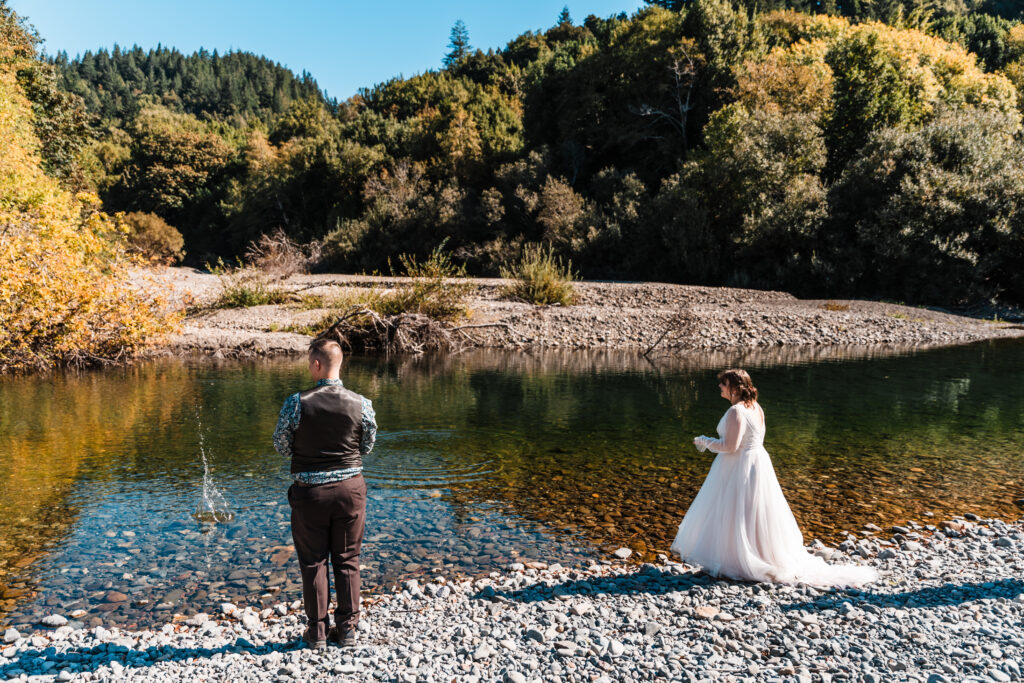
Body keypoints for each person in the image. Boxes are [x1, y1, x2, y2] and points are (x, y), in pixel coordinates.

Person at [670, 369, 876, 587]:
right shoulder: (756, 408)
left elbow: (730, 446)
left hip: (741, 465)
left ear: (735, 388)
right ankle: (755, 555)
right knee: (754, 511)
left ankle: (739, 562)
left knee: (736, 511)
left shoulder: (735, 412)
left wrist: (704, 441)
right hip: (758, 463)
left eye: (724, 383)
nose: (720, 387)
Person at [272, 338, 377, 649]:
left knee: (314, 562)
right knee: (348, 559)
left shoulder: (296, 402)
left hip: (310, 493)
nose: (309, 368)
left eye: (309, 363)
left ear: (317, 365)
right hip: (350, 490)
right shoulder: (362, 403)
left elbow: (281, 446)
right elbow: (366, 446)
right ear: (340, 364)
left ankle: (317, 632)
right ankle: (347, 630)